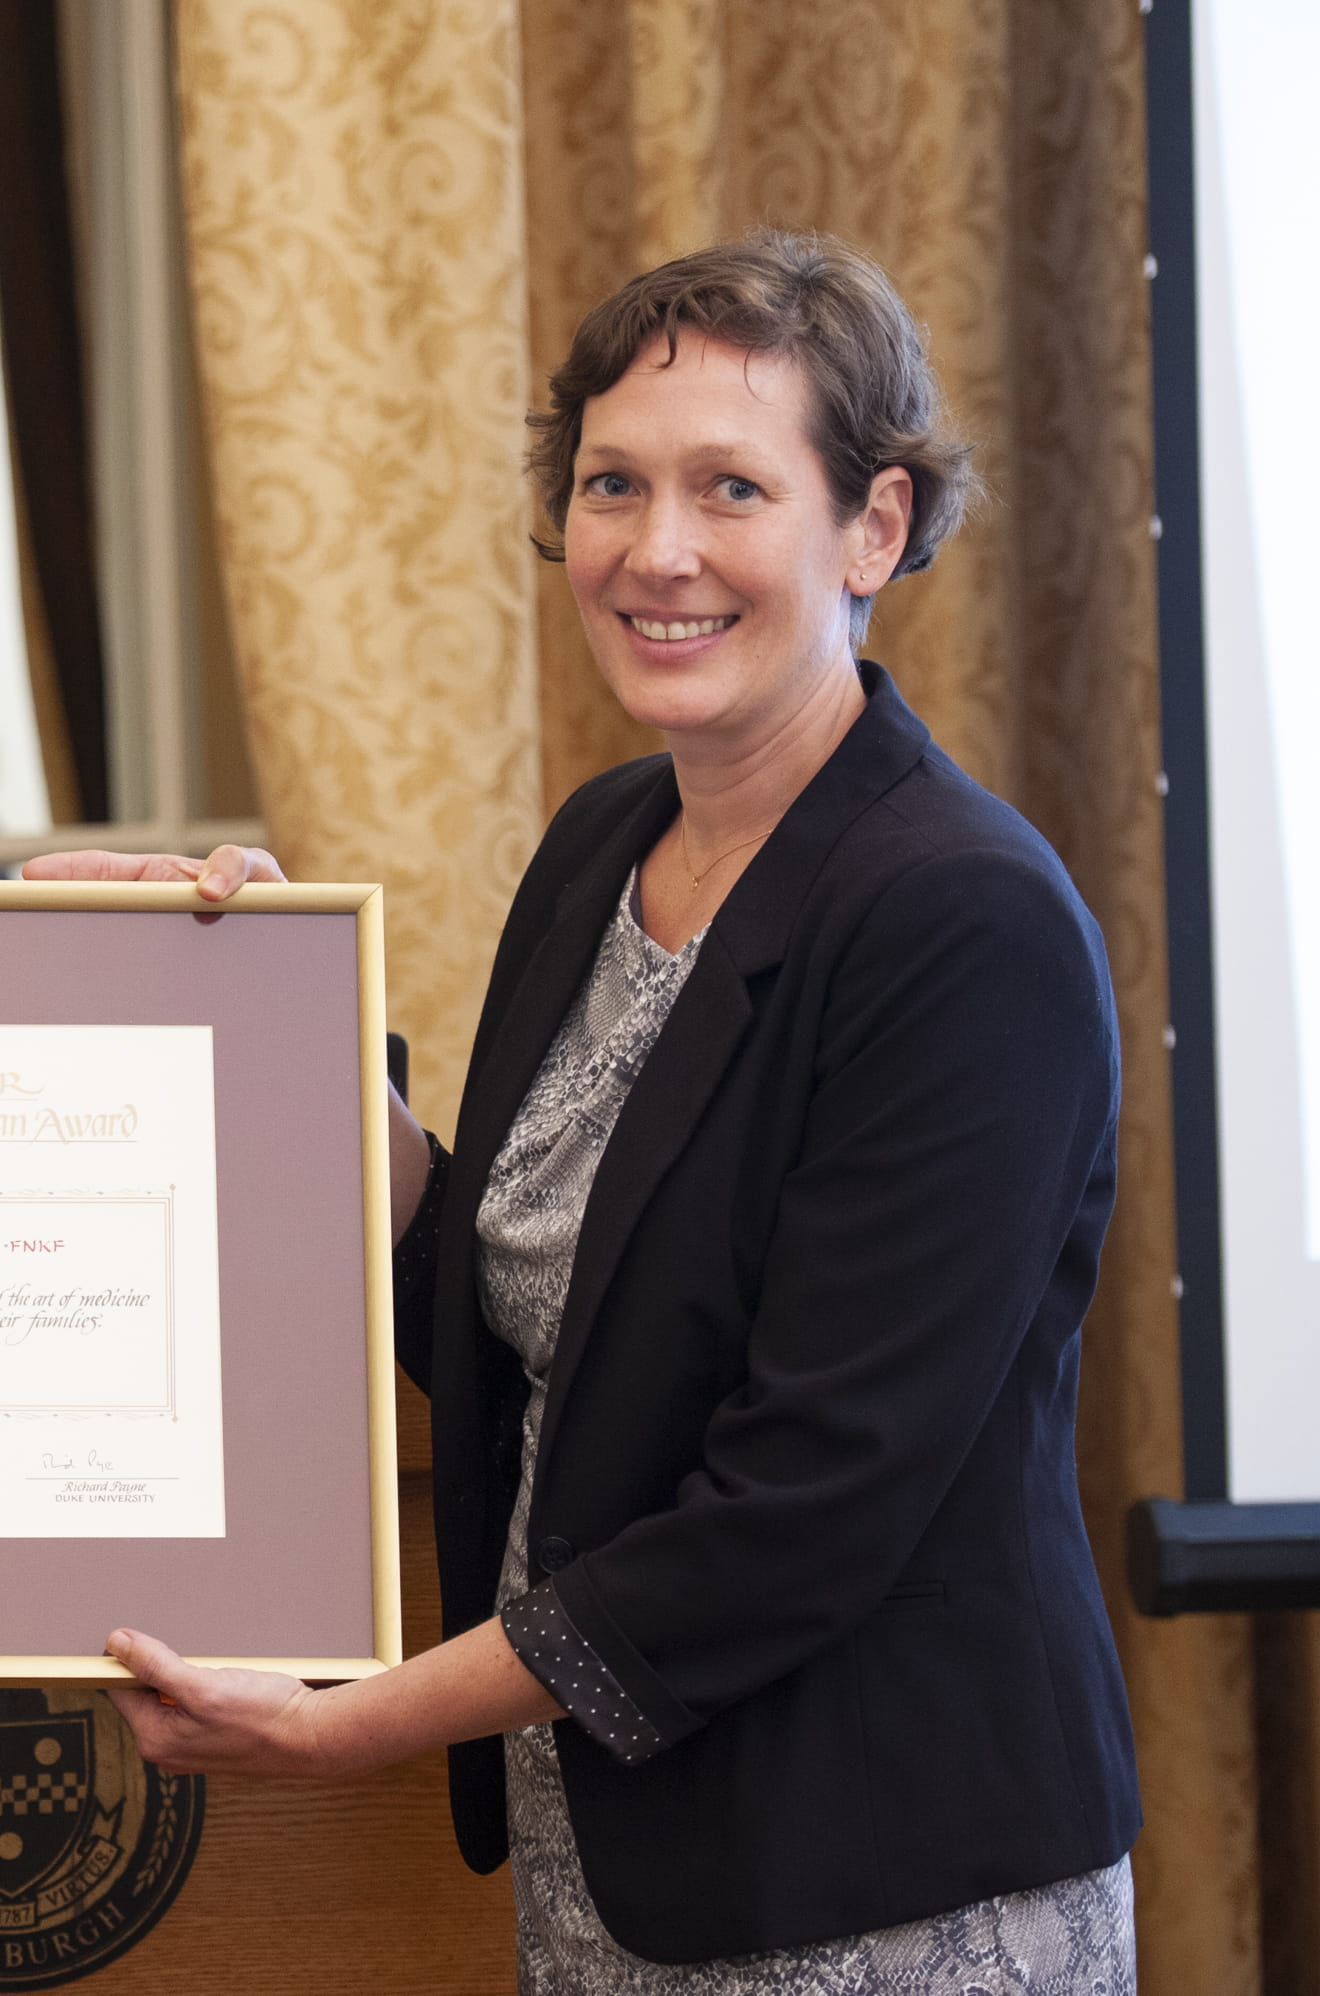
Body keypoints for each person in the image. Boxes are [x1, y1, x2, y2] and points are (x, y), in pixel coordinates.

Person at [80, 232, 1141, 1986]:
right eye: (611, 484)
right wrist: (258, 1021)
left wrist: (344, 1725)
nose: (657, 551)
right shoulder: (601, 843)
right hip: (614, 1854)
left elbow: (803, 1508)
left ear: (873, 527)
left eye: (733, 487)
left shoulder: (964, 922)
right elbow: (515, 1318)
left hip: (884, 1880)